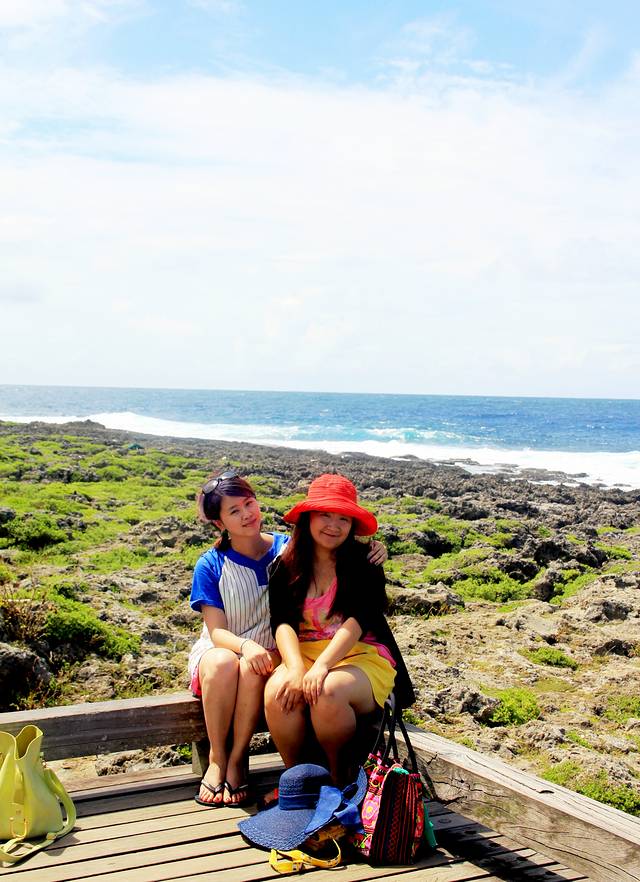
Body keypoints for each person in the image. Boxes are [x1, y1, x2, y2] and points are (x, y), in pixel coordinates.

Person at [188, 469, 387, 807]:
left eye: (249, 504)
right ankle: (236, 764)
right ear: (219, 523)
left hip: (293, 651)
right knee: (245, 672)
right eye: (234, 511)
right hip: (245, 648)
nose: (246, 514)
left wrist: (377, 550)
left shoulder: (288, 550)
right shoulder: (219, 563)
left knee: (286, 680)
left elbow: (357, 612)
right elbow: (238, 627)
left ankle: (328, 779)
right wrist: (277, 660)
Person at [265, 473, 414, 785]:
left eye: (343, 518)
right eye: (325, 515)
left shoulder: (364, 563)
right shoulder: (285, 565)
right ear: (308, 517)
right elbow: (282, 622)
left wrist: (322, 666)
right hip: (304, 652)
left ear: (352, 525)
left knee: (327, 691)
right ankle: (297, 781)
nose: (333, 525)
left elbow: (358, 621)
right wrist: (295, 668)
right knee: (279, 693)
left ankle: (339, 779)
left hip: (358, 653)